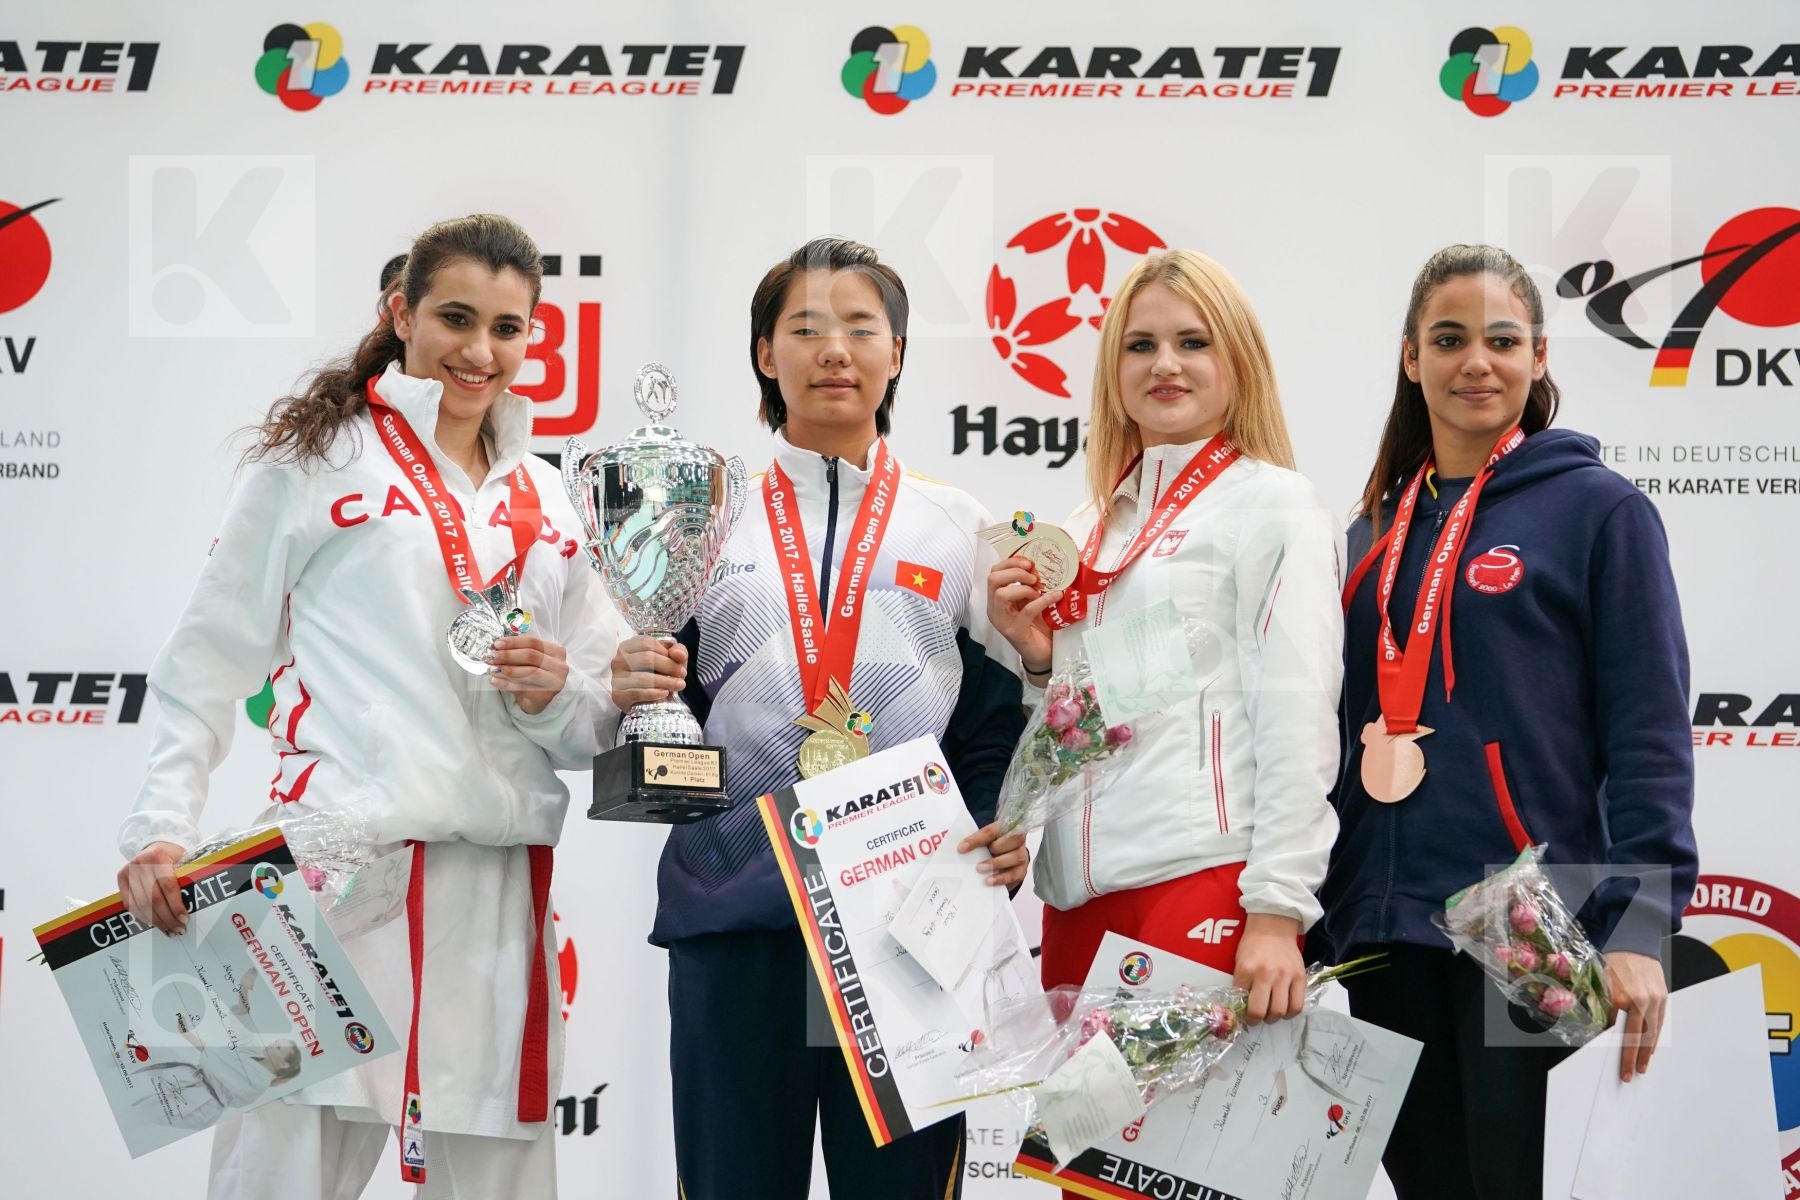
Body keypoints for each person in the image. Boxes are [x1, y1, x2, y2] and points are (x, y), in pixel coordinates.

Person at [116, 214, 620, 1199]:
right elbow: (206, 660)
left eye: (509, 328)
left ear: (534, 337)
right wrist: (160, 828)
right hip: (333, 883)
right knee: (279, 1181)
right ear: (402, 312)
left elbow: (591, 723)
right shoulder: (319, 463)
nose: (481, 352)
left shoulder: (554, 501)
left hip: (495, 896)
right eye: (456, 318)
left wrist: (564, 687)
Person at [609, 236, 1028, 1200]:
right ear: (765, 354)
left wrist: (994, 828)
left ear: (898, 354)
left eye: (860, 326)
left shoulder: (957, 523)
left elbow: (995, 716)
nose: (833, 348)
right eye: (804, 327)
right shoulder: (698, 518)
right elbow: (664, 708)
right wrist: (634, 684)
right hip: (739, 915)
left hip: (908, 929)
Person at [1322, 244, 1697, 1199]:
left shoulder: (1599, 511)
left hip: (1532, 920)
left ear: (1538, 356)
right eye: (1448, 340)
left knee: (1522, 1186)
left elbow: (1649, 732)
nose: (1474, 362)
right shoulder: (1373, 527)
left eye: (1500, 340)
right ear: (1411, 358)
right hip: (1384, 930)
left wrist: (1641, 926)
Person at [986, 249, 1344, 1054]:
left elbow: (1296, 715)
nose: (1165, 365)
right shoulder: (1085, 527)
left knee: (1175, 1173)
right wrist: (1040, 661)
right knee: (1087, 1175)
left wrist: (1278, 910)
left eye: (1194, 341)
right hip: (1074, 901)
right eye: (1139, 346)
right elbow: (1089, 724)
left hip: (1201, 885)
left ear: (1237, 360)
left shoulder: (1275, 504)